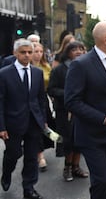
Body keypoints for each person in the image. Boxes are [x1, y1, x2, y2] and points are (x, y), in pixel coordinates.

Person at [64, 21, 106, 199]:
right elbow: (72, 101)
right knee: (101, 180)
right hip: (91, 135)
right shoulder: (81, 65)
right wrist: (104, 119)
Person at [0, 38, 47, 199]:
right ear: (15, 54)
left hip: (34, 121)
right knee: (13, 154)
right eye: (23, 52)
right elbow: (1, 101)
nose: (27, 55)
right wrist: (1, 126)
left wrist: (43, 120)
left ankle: (29, 188)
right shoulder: (4, 74)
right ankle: (6, 173)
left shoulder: (37, 72)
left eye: (30, 52)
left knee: (31, 157)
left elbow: (41, 99)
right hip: (13, 122)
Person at [47, 41, 88, 182]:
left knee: (80, 140)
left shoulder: (86, 67)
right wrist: (69, 94)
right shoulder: (59, 69)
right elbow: (51, 89)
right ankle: (67, 167)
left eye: (81, 48)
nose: (78, 51)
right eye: (74, 49)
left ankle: (76, 167)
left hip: (82, 110)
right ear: (67, 52)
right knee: (68, 140)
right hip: (65, 111)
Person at [31, 42, 53, 172]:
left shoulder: (45, 66)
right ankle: (39, 155)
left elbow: (50, 84)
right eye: (35, 51)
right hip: (27, 100)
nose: (38, 54)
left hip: (42, 99)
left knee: (42, 126)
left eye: (40, 51)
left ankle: (40, 153)